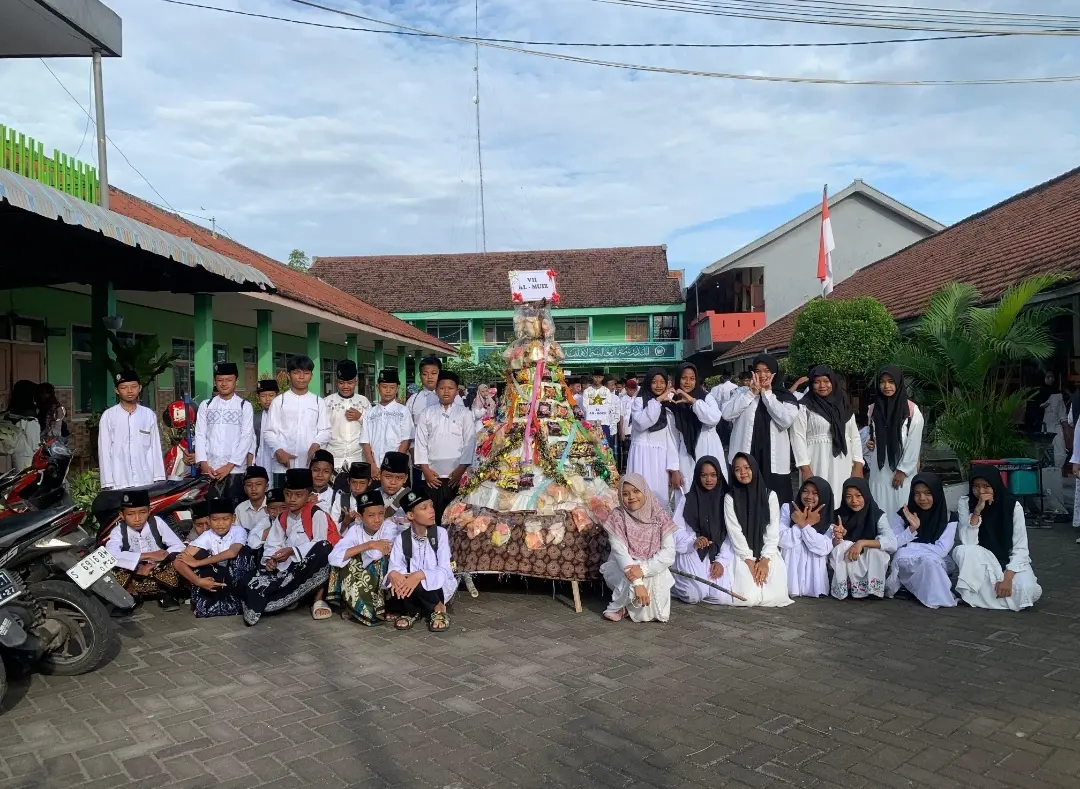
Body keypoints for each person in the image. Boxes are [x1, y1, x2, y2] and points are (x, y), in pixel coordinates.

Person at [238, 468, 339, 625]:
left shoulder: (317, 514)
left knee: (323, 549)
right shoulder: (282, 517)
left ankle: (318, 600)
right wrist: (271, 560)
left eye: (298, 495)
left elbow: (321, 544)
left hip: (308, 564)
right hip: (286, 566)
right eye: (288, 494)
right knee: (248, 580)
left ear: (308, 495)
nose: (292, 499)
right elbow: (273, 544)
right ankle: (292, 598)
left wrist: (293, 551)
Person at [953, 467, 1042, 611]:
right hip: (981, 560)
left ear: (995, 484)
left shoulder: (1012, 505)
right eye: (976, 486)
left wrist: (1007, 578)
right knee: (963, 551)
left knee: (1030, 590)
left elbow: (1020, 547)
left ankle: (986, 596)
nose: (981, 492)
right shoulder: (965, 502)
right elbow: (968, 542)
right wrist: (977, 511)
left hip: (1008, 560)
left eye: (986, 486)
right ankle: (989, 596)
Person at [721, 354, 799, 505]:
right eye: (758, 371)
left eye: (767, 370)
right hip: (747, 455)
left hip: (773, 459)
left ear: (775, 372)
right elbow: (726, 414)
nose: (762, 375)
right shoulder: (741, 393)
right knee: (744, 501)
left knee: (775, 503)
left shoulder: (785, 397)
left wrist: (768, 395)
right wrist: (751, 394)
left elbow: (785, 420)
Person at [601, 474, 677, 623]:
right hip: (622, 567)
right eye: (625, 493)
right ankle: (615, 607)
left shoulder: (659, 515)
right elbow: (620, 553)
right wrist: (638, 583)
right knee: (636, 584)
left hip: (651, 566)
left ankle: (625, 607)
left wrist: (643, 569)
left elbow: (669, 553)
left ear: (645, 491)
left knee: (657, 614)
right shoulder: (617, 517)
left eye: (636, 491)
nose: (631, 497)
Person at [722, 454, 793, 607]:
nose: (743, 473)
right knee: (747, 597)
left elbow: (772, 530)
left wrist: (765, 560)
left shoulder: (770, 496)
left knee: (775, 596)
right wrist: (748, 560)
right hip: (741, 552)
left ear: (754, 468)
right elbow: (735, 531)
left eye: (747, 468)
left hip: (767, 550)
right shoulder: (730, 497)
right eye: (737, 469)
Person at [384, 489, 456, 632]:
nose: (431, 511)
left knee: (419, 580)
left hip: (438, 588)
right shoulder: (402, 538)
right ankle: (417, 610)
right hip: (411, 586)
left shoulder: (440, 534)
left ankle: (437, 607)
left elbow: (444, 570)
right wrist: (394, 574)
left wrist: (419, 575)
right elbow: (395, 566)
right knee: (399, 580)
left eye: (431, 506)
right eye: (424, 508)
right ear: (410, 515)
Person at [884, 472, 958, 609]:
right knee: (906, 558)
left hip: (935, 559)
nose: (922, 498)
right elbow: (894, 544)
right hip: (907, 559)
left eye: (928, 493)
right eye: (917, 494)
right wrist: (911, 529)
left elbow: (942, 549)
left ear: (936, 493)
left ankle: (912, 589)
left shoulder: (948, 516)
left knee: (928, 562)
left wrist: (912, 547)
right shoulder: (904, 513)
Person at [328, 492, 403, 625]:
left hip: (383, 581)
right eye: (371, 515)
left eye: (380, 514)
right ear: (360, 517)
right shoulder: (355, 530)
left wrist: (362, 550)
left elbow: (377, 555)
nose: (377, 519)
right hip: (363, 578)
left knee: (379, 560)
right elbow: (333, 557)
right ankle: (354, 607)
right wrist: (369, 545)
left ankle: (382, 608)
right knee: (343, 560)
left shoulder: (389, 527)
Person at [105, 489, 186, 610]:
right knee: (111, 569)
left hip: (157, 570)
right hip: (134, 575)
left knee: (177, 559)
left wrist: (156, 561)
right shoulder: (118, 531)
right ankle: (131, 595)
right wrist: (145, 557)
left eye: (142, 512)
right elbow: (111, 554)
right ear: (122, 515)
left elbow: (179, 546)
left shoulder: (157, 523)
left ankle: (165, 595)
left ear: (149, 511)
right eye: (131, 514)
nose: (137, 518)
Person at [173, 498, 255, 618]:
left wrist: (198, 563)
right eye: (215, 519)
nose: (220, 523)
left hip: (238, 577)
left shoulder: (238, 531)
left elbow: (232, 552)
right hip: (220, 574)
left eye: (225, 519)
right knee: (198, 555)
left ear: (233, 519)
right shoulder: (208, 535)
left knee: (241, 554)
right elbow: (177, 561)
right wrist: (198, 581)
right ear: (209, 521)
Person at [791, 365, 864, 497]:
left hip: (844, 463)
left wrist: (858, 465)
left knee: (842, 497)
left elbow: (854, 437)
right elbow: (797, 438)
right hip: (817, 462)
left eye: (826, 381)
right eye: (817, 382)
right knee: (819, 498)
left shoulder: (844, 406)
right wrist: (805, 469)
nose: (822, 385)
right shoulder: (804, 407)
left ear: (833, 382)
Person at [413, 369, 476, 523]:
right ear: (436, 390)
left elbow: (470, 442)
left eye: (450, 388)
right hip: (432, 477)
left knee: (456, 518)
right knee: (432, 516)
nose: (446, 392)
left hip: (456, 476)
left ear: (457, 391)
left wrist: (461, 470)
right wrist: (426, 470)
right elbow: (420, 442)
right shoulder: (427, 414)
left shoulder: (465, 414)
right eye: (442, 388)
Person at [864, 365, 924, 518]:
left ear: (898, 383)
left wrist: (902, 470)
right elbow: (871, 436)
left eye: (891, 381)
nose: (886, 386)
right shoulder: (873, 409)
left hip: (903, 470)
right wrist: (869, 444)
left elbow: (914, 442)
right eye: (882, 382)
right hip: (879, 469)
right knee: (880, 505)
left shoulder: (911, 410)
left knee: (901, 504)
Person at [671, 456, 732, 605]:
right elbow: (676, 529)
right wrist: (693, 542)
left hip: (716, 552)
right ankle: (672, 584)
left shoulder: (726, 500)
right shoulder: (687, 499)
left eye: (713, 475)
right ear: (697, 476)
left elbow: (730, 535)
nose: (709, 480)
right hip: (691, 551)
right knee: (694, 595)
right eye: (703, 475)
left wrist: (721, 561)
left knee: (721, 597)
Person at [264, 355, 331, 487]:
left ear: (311, 376)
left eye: (306, 373)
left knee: (307, 503)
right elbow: (269, 432)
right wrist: (278, 450)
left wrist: (316, 444)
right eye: (297, 373)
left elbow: (326, 430)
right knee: (282, 504)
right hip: (283, 466)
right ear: (289, 375)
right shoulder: (279, 401)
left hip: (309, 466)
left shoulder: (318, 402)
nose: (301, 377)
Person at [195, 361, 254, 503]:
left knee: (234, 513)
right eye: (220, 380)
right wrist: (203, 463)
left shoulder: (244, 406)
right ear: (215, 382)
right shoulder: (206, 405)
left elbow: (247, 437)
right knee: (213, 512)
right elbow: (200, 435)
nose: (224, 384)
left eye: (229, 380)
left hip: (235, 471)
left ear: (236, 381)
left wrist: (230, 465)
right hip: (210, 470)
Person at [667, 362, 727, 501]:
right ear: (678, 379)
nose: (687, 382)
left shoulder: (706, 397)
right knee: (688, 499)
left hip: (709, 449)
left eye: (692, 378)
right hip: (686, 456)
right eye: (684, 378)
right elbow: (671, 438)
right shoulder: (672, 404)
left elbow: (714, 418)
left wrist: (693, 401)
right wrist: (674, 470)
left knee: (714, 495)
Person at [830, 477, 897, 600]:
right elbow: (829, 544)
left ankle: (873, 590)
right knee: (843, 546)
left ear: (866, 495)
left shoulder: (877, 515)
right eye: (849, 496)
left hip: (867, 559)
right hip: (849, 558)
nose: (854, 501)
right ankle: (847, 587)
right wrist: (837, 538)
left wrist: (862, 543)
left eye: (858, 495)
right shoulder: (837, 515)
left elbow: (892, 543)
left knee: (876, 551)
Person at [97, 371, 166, 490]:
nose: (129, 391)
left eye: (133, 387)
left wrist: (158, 477)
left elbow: (155, 447)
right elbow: (104, 450)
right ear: (117, 390)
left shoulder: (148, 415)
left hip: (145, 478)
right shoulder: (109, 416)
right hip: (119, 480)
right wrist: (107, 482)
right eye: (124, 387)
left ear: (140, 388)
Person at [627, 368, 679, 503]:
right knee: (638, 496)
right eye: (654, 382)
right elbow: (641, 423)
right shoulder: (639, 401)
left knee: (657, 500)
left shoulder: (669, 407)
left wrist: (673, 467)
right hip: (640, 457)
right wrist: (658, 400)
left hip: (659, 460)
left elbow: (671, 438)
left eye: (662, 382)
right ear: (648, 383)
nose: (659, 385)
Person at [778, 476, 835, 598]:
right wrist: (805, 524)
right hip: (790, 568)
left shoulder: (829, 516)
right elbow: (782, 540)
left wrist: (804, 525)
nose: (809, 496)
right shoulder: (788, 509)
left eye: (815, 493)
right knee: (794, 545)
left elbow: (823, 548)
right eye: (805, 491)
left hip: (814, 576)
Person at [361, 368, 414, 477]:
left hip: (396, 467)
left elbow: (406, 440)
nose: (388, 391)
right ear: (377, 388)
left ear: (397, 388)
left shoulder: (403, 411)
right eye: (384, 387)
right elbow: (365, 441)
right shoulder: (370, 413)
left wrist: (394, 463)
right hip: (374, 469)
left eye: (392, 387)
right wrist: (371, 464)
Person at [324, 360, 371, 473]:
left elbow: (372, 428)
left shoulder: (363, 402)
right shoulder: (327, 402)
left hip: (358, 458)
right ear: (336, 382)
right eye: (341, 383)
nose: (345, 386)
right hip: (333, 457)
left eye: (350, 383)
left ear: (356, 381)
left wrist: (360, 417)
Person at [4, 380, 41, 471]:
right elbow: (34, 444)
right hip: (26, 458)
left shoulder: (11, 413)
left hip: (11, 455)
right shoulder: (30, 418)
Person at [330, 461, 374, 532]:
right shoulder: (341, 500)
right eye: (354, 482)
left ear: (369, 482)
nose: (357, 487)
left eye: (362, 483)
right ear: (348, 481)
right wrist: (345, 523)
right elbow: (332, 529)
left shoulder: (374, 501)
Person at [1039, 372, 1068, 469]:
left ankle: (1057, 472)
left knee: (1060, 453)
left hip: (1055, 427)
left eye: (1052, 377)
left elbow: (1062, 414)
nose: (1050, 379)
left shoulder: (1057, 395)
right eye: (1048, 377)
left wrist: (1066, 430)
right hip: (1042, 427)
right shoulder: (1038, 393)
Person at [376, 451, 412, 526]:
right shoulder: (372, 497)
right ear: (379, 475)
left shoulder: (413, 500)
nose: (393, 482)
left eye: (399, 478)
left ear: (405, 479)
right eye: (388, 476)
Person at [250, 379, 279, 472]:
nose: (267, 399)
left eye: (271, 395)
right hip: (261, 460)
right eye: (263, 396)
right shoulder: (256, 418)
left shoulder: (284, 416)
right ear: (258, 398)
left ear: (277, 396)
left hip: (278, 460)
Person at [234, 465, 270, 538]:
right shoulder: (240, 508)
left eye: (258, 484)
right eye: (249, 485)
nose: (253, 488)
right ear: (244, 489)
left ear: (266, 487)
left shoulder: (273, 507)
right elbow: (236, 533)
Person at [247, 487, 284, 556]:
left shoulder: (294, 520)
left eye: (283, 508)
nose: (278, 512)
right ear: (266, 510)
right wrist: (275, 527)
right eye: (273, 508)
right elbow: (252, 543)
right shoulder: (265, 521)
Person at [309, 449, 337, 514]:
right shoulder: (301, 494)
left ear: (332, 474)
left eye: (326, 471)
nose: (320, 475)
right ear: (309, 470)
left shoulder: (336, 497)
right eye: (316, 470)